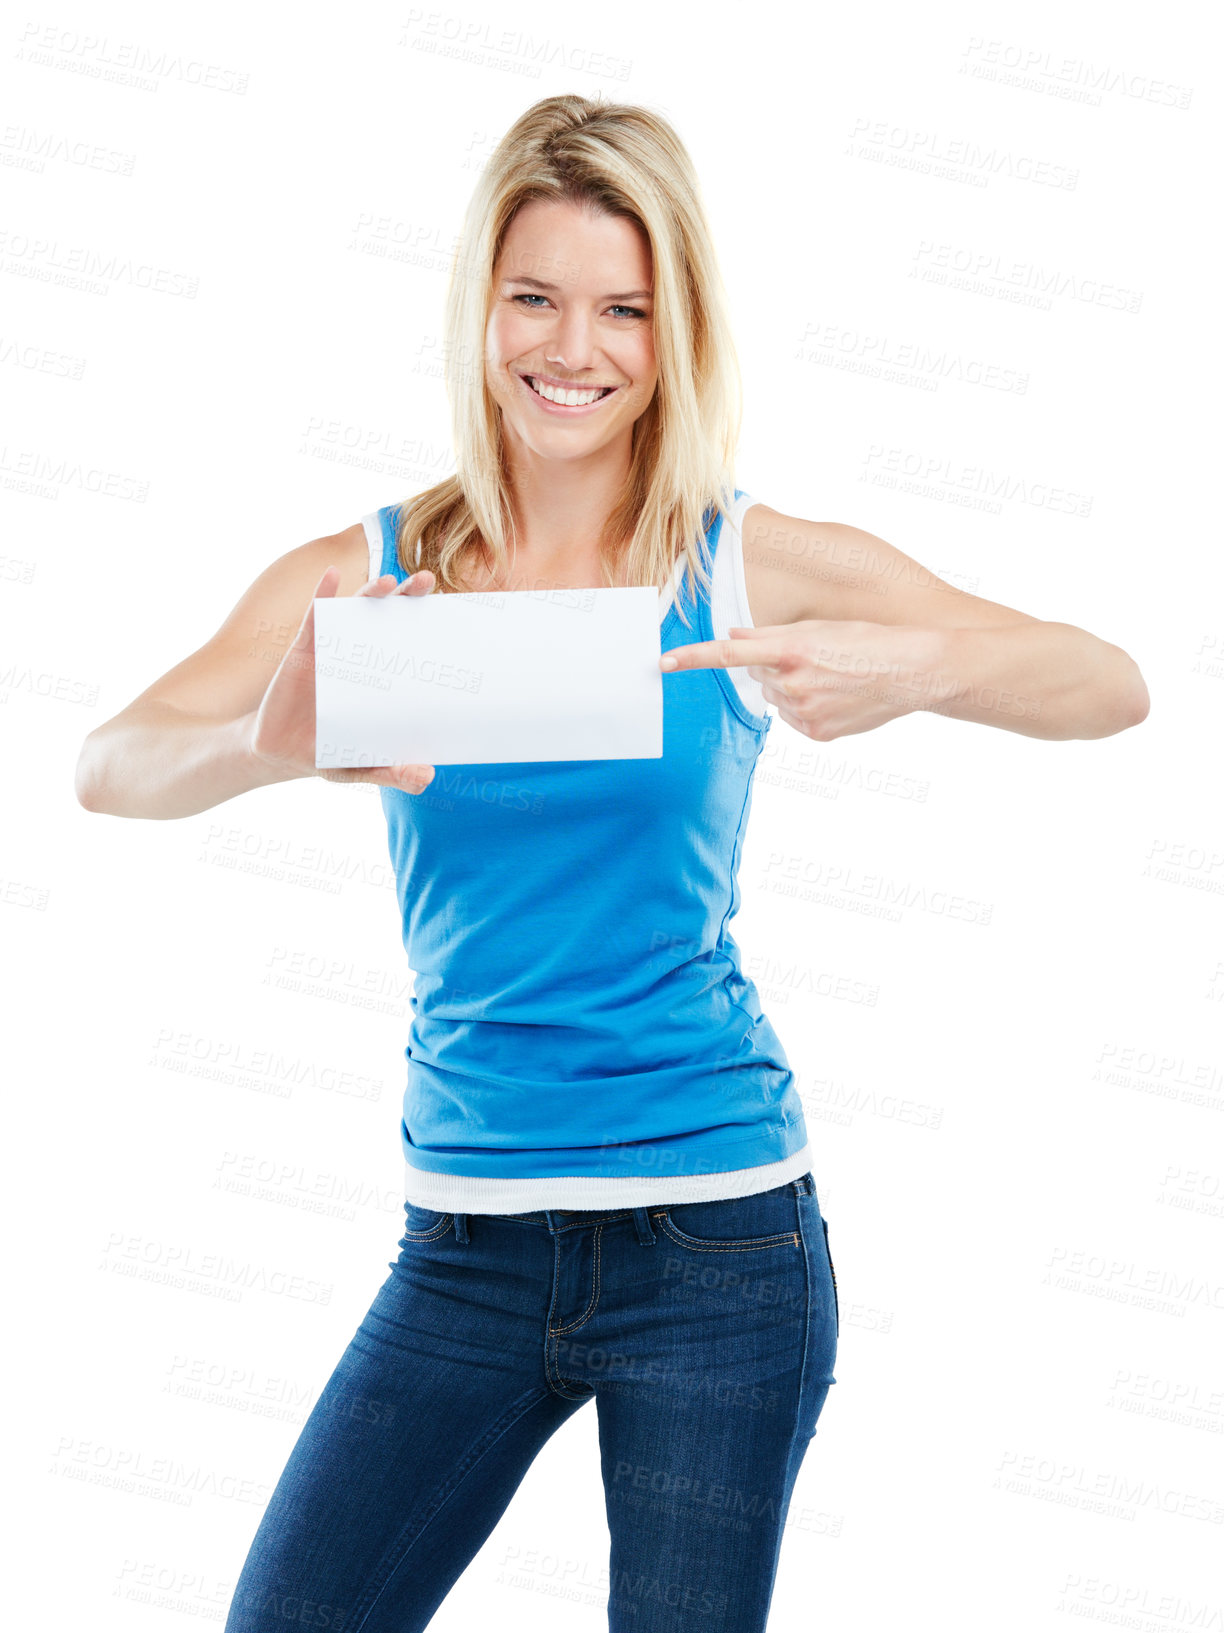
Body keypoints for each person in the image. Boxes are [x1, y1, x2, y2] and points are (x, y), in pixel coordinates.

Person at [75, 93, 1149, 1633]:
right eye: (534, 297)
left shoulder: (738, 556)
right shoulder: (373, 576)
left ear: (673, 328)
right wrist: (276, 733)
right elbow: (108, 766)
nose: (571, 349)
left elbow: (1109, 680)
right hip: (462, 1251)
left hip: (717, 1245)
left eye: (622, 309)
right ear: (481, 307)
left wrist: (910, 667)